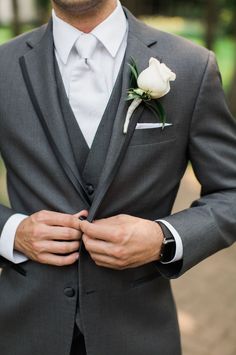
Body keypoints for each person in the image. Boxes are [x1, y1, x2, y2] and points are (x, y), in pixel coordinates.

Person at [0, 0, 235, 354]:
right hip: (24, 332)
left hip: (138, 333)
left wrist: (163, 238)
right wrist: (12, 233)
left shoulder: (191, 66)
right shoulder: (3, 67)